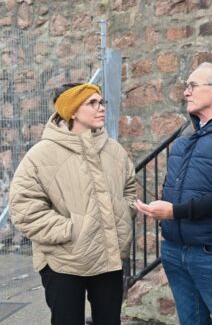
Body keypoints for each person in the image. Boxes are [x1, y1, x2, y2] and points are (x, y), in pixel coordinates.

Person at [135, 62, 212, 325]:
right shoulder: (186, 132)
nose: (185, 93)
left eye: (192, 86)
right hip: (174, 249)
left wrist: (173, 211)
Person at [9, 83, 136, 325]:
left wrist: (121, 215)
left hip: (109, 257)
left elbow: (129, 188)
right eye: (92, 103)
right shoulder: (41, 155)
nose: (101, 108)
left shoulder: (114, 151)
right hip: (63, 261)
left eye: (102, 102)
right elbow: (24, 209)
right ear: (72, 111)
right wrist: (72, 230)